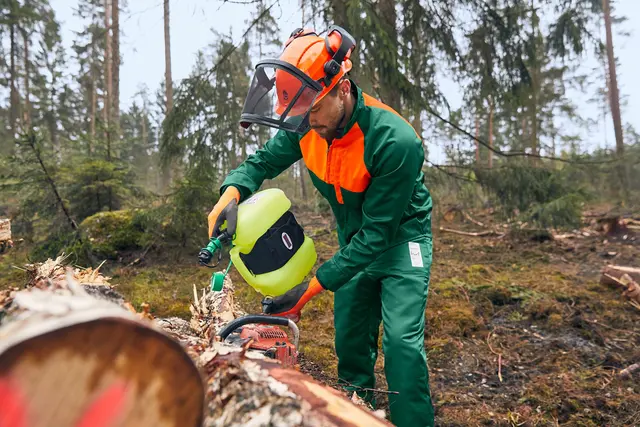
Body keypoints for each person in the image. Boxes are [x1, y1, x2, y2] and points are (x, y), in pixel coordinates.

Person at [207, 25, 435, 427]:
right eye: (300, 111)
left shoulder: (394, 140)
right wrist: (232, 191)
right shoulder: (305, 125)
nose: (307, 121)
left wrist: (309, 290)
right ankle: (356, 417)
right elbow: (261, 163)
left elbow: (378, 235)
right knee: (349, 344)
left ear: (342, 89)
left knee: (401, 345)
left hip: (402, 241)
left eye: (314, 109)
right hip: (354, 243)